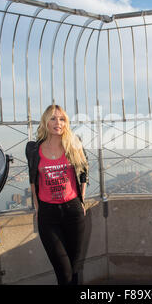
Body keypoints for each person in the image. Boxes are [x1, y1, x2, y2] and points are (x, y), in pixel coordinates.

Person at [25, 104, 88, 285]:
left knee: (74, 271)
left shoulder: (74, 145)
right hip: (48, 215)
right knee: (64, 272)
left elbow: (83, 172)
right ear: (45, 122)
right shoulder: (33, 149)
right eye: (52, 118)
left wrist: (81, 201)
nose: (57, 123)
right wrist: (37, 207)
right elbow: (32, 178)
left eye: (62, 119)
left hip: (73, 211)